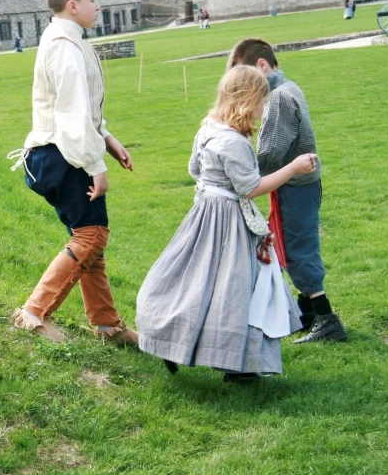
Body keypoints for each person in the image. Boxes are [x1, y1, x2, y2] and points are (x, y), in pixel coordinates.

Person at [136, 66, 318, 384]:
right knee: (239, 288)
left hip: (203, 215)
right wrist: (293, 167)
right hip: (229, 222)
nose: (263, 109)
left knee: (194, 279)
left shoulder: (208, 128)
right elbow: (250, 188)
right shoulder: (233, 141)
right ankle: (239, 365)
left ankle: (181, 342)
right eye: (262, 102)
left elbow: (194, 169)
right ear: (248, 100)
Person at [7, 0, 137, 345]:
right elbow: (72, 115)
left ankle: (107, 325)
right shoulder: (63, 46)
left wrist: (107, 138)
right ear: (73, 5)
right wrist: (97, 167)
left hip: (65, 150)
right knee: (91, 235)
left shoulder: (72, 40)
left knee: (91, 238)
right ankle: (33, 313)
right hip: (60, 154)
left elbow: (85, 110)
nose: (98, 6)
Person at [228, 38, 348, 343]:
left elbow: (271, 153)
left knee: (298, 248)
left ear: (261, 66)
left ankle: (327, 320)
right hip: (302, 184)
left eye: (246, 75)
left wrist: (241, 168)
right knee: (296, 242)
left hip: (296, 187)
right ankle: (307, 314)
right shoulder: (289, 87)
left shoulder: (279, 97)